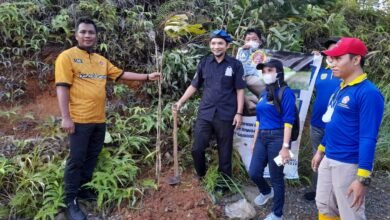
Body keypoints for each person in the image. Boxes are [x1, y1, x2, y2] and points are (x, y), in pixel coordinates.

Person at [55, 17, 160, 220]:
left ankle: (85, 190)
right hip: (78, 119)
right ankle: (71, 201)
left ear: (96, 36)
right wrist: (65, 117)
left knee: (91, 157)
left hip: (99, 119)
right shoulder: (67, 57)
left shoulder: (101, 60)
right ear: (76, 35)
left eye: (91, 32)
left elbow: (121, 74)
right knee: (76, 160)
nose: (87, 35)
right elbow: (62, 87)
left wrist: (147, 77)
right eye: (83, 32)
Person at [311, 37, 384, 220]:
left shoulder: (368, 93)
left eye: (338, 58)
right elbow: (333, 123)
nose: (332, 63)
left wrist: (362, 178)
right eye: (331, 59)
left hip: (348, 163)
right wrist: (321, 150)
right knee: (324, 205)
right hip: (329, 157)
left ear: (356, 59)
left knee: (350, 213)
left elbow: (368, 137)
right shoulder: (341, 88)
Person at [173, 30, 246, 183]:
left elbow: (240, 90)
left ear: (227, 46)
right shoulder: (204, 62)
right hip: (205, 113)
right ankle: (201, 175)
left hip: (226, 114)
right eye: (213, 43)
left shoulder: (235, 65)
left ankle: (224, 183)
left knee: (224, 151)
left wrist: (239, 113)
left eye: (220, 43)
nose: (216, 46)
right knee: (197, 148)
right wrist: (180, 102)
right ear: (210, 45)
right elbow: (194, 85)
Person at [248, 59, 296, 220]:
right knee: (254, 172)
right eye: (264, 71)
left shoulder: (286, 92)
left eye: (270, 70)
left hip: (278, 138)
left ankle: (277, 214)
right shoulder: (263, 93)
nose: (266, 74)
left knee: (276, 177)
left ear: (278, 72)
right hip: (262, 137)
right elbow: (258, 120)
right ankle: (266, 192)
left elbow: (289, 121)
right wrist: (254, 140)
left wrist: (285, 147)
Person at [304, 38, 341, 201]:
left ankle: (335, 193)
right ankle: (316, 189)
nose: (332, 55)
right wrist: (313, 60)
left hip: (337, 126)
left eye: (337, 51)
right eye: (329, 51)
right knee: (316, 156)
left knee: (334, 158)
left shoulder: (345, 72)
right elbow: (299, 73)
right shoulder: (321, 70)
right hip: (317, 123)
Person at [236, 28, 266, 113]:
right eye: (248, 40)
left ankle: (254, 102)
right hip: (243, 77)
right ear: (244, 41)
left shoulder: (262, 52)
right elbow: (239, 64)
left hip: (256, 77)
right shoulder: (241, 50)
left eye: (254, 39)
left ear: (260, 41)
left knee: (265, 96)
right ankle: (249, 103)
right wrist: (243, 51)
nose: (251, 41)